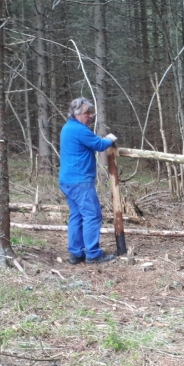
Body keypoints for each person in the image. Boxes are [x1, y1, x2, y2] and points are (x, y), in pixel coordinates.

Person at [59, 97, 118, 264]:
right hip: (80, 181)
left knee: (77, 215)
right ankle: (93, 253)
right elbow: (99, 145)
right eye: (87, 113)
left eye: (91, 112)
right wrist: (111, 139)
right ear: (76, 114)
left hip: (68, 180)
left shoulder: (67, 128)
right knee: (92, 215)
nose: (90, 115)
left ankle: (76, 253)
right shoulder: (79, 130)